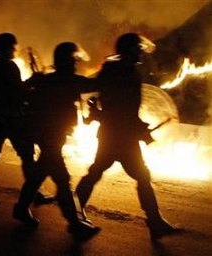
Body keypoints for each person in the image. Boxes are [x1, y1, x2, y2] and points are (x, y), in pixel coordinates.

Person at [75, 33, 180, 240]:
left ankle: (76, 215)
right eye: (137, 48)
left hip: (117, 134)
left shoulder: (118, 69)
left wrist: (138, 128)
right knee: (138, 176)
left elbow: (121, 107)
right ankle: (154, 222)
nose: (141, 52)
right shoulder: (120, 71)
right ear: (129, 49)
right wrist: (138, 130)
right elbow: (120, 110)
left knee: (98, 173)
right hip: (119, 135)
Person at [12, 42, 100, 239]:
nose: (75, 63)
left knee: (38, 174)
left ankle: (21, 208)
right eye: (73, 59)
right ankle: (74, 222)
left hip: (47, 135)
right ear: (67, 60)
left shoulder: (49, 80)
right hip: (51, 135)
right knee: (62, 179)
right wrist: (112, 72)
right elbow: (92, 84)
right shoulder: (66, 80)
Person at [0, 32, 54, 207]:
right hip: (11, 118)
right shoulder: (7, 66)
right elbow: (16, 92)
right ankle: (33, 191)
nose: (15, 50)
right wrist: (33, 81)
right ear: (6, 48)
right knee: (27, 155)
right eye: (12, 47)